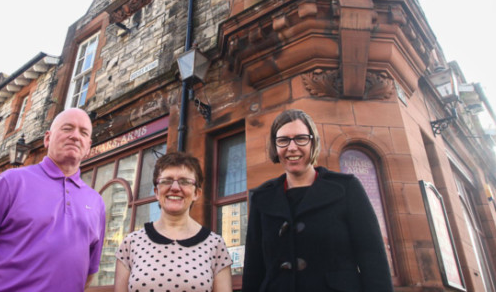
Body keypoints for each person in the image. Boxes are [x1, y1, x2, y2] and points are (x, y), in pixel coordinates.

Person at [0, 108, 106, 292]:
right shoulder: (11, 182)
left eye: (83, 132)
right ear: (47, 138)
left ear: (88, 146)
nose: (76, 136)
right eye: (67, 128)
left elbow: (88, 274)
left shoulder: (96, 202)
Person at [242, 109, 393, 292]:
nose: (292, 147)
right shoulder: (262, 198)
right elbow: (253, 268)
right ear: (275, 146)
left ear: (313, 142)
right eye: (283, 140)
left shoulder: (347, 189)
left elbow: (373, 260)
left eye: (300, 138)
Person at [114, 152, 232, 292]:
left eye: (185, 181)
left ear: (196, 193)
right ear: (157, 192)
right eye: (167, 181)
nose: (175, 188)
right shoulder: (131, 243)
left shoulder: (215, 245)